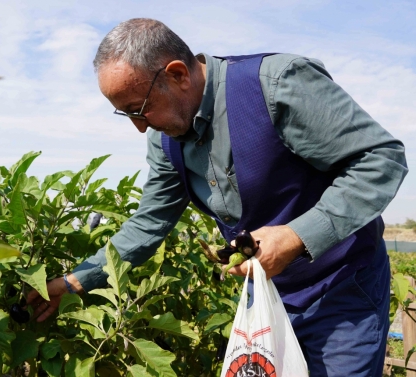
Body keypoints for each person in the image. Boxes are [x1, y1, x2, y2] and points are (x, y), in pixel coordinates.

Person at [27, 18, 408, 376]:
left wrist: (295, 237)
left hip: (339, 288)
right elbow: (148, 224)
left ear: (177, 74)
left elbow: (379, 159)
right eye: (124, 114)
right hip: (268, 296)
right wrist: (73, 282)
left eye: (139, 109)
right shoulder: (165, 139)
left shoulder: (275, 84)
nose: (138, 126)